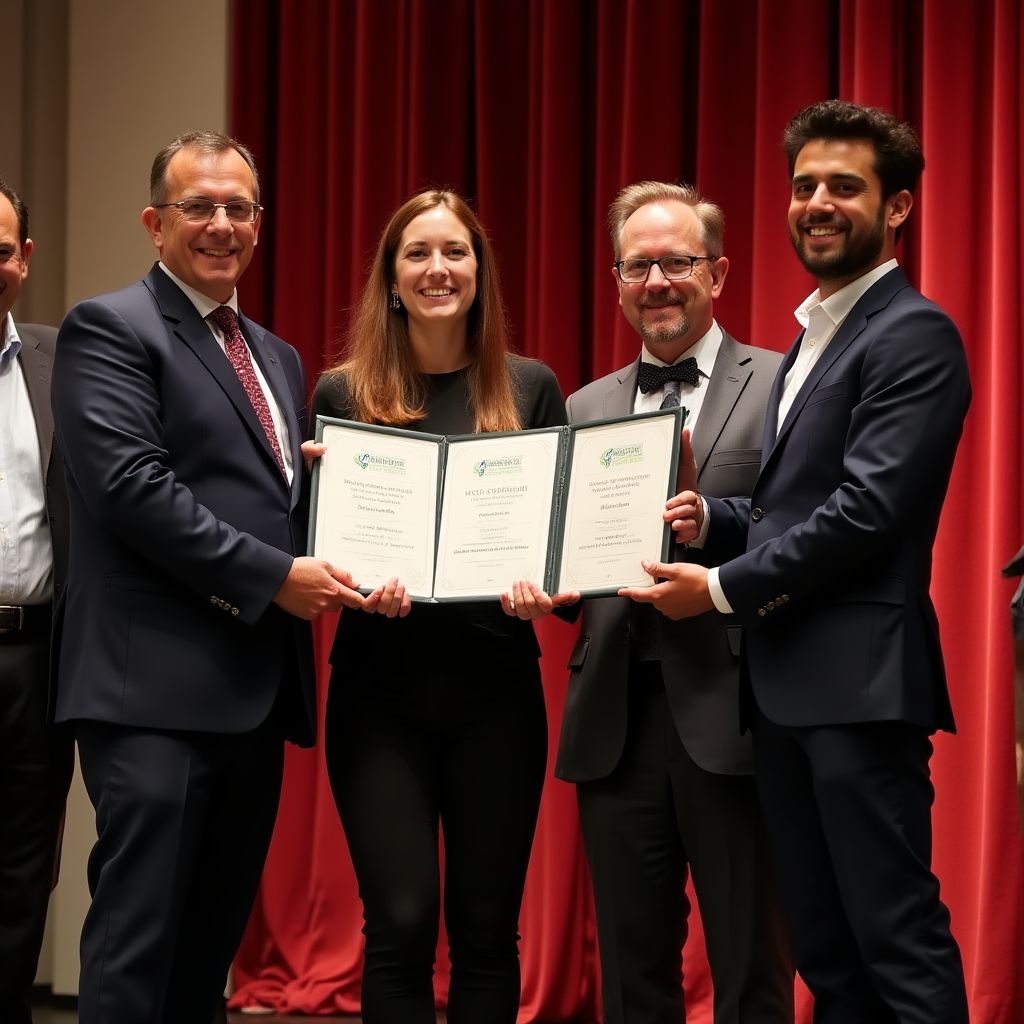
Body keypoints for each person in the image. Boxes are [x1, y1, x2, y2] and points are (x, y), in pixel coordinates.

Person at [621, 100, 971, 1023]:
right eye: (804, 185)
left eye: (844, 187)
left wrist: (722, 587)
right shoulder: (819, 335)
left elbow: (869, 510)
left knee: (894, 937)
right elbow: (796, 504)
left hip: (857, 693)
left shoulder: (913, 333)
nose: (817, 202)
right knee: (825, 946)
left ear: (896, 207)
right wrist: (716, 521)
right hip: (783, 695)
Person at [51, 131, 363, 1024]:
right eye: (200, 207)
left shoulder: (276, 354)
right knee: (137, 946)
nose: (222, 224)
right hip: (147, 694)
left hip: (250, 696)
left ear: (260, 225)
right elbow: (133, 491)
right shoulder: (110, 327)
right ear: (156, 223)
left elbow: (271, 500)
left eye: (240, 208)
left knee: (206, 956)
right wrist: (276, 578)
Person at [308, 189, 567, 1024]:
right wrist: (348, 579)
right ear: (391, 278)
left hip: (498, 695)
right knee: (402, 922)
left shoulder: (529, 389)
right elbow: (315, 554)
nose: (437, 269)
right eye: (417, 253)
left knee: (489, 932)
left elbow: (558, 555)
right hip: (378, 697)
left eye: (455, 252)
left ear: (480, 273)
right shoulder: (341, 395)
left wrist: (545, 591)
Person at [549, 181, 792, 1024]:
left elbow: (803, 529)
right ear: (617, 281)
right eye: (639, 265)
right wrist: (539, 583)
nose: (658, 281)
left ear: (718, 274)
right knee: (632, 969)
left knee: (750, 964)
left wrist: (715, 528)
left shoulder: (782, 383)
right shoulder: (583, 406)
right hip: (613, 716)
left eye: (678, 262)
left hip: (734, 708)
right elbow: (570, 571)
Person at [0, 179, 74, 1024]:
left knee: (24, 875)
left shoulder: (63, 359)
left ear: (24, 258)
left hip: (40, 655)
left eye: (0, 246)